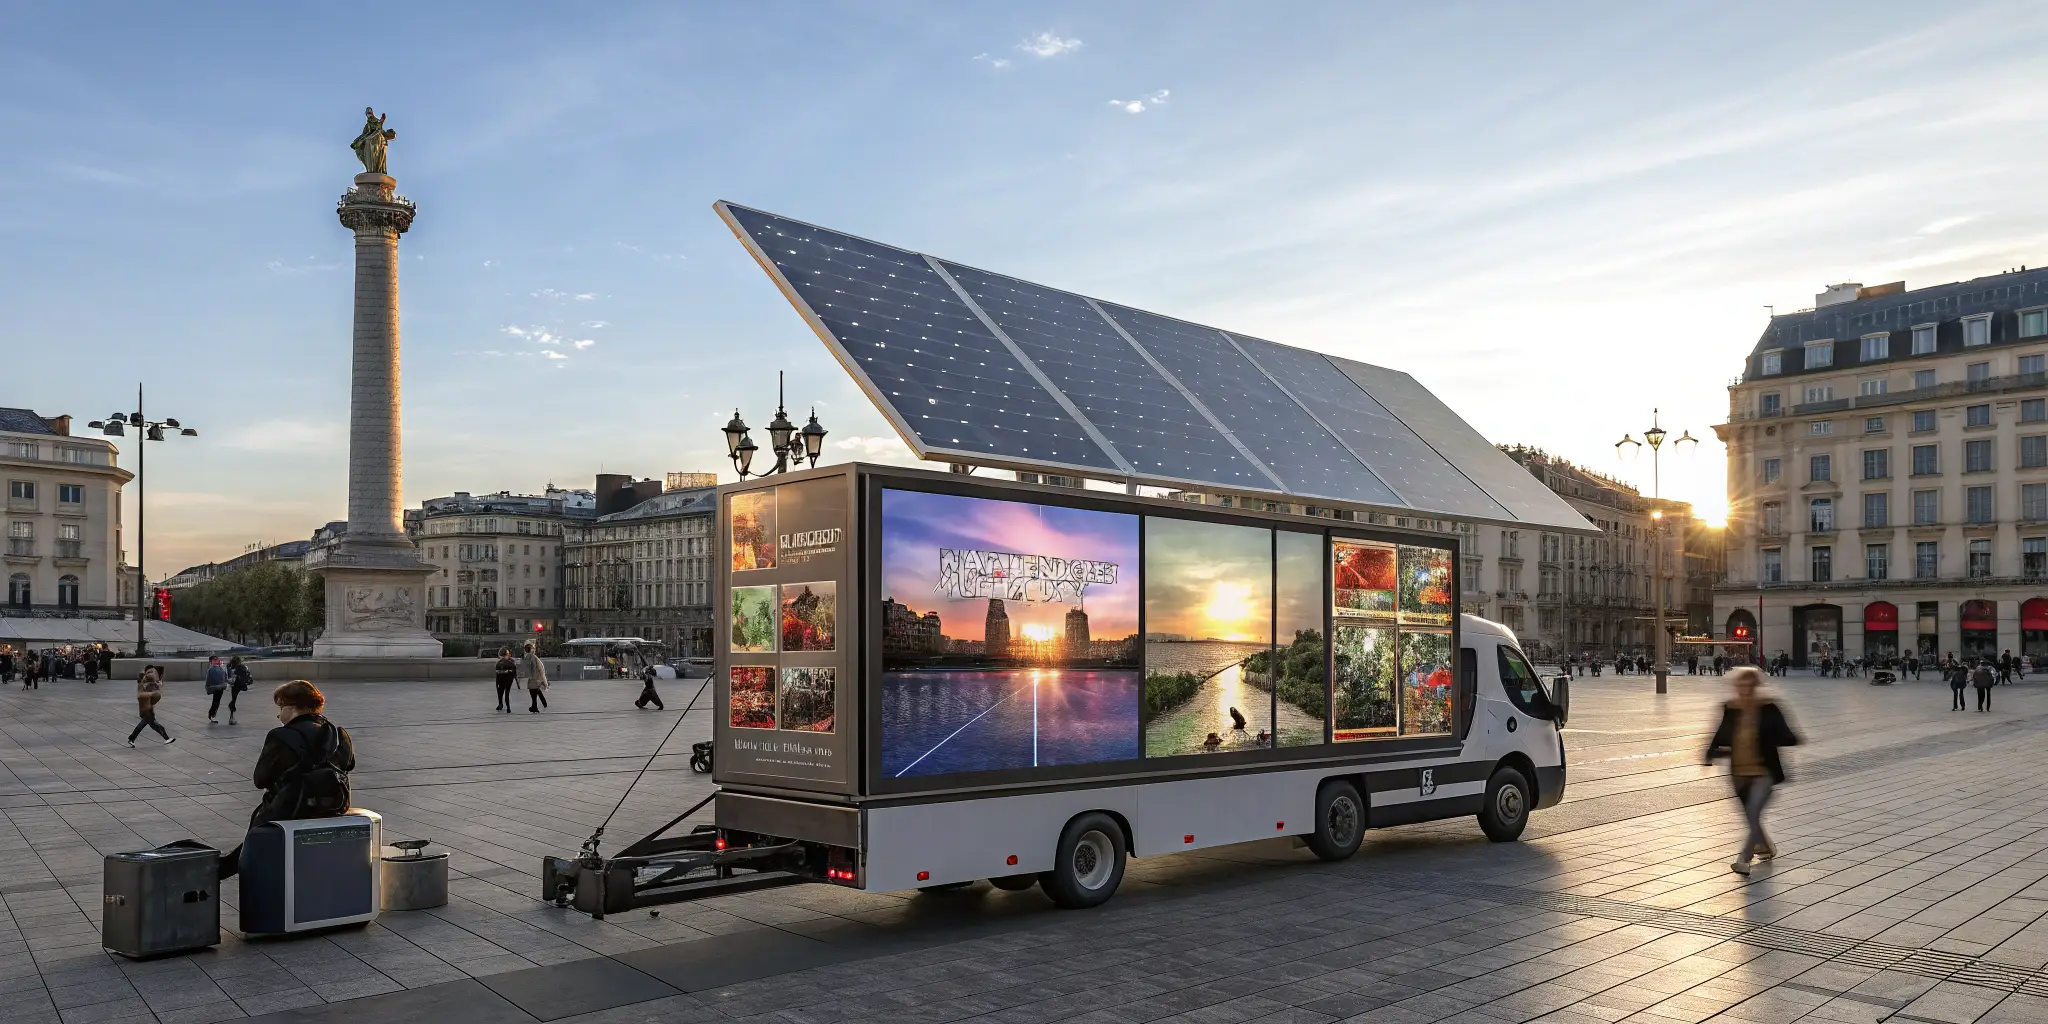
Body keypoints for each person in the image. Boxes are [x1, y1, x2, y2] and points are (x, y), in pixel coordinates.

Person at [217, 680, 357, 880]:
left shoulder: (282, 736)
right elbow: (348, 765)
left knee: (253, 848)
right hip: (331, 809)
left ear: (291, 707)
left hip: (291, 811)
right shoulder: (338, 734)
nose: (278, 714)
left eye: (280, 707)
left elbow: (260, 779)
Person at [1704, 667, 1799, 876]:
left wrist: (1770, 738)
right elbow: (1720, 734)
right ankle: (1766, 847)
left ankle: (1743, 860)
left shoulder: (1769, 708)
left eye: (1749, 685)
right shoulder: (1731, 708)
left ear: (1756, 686)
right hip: (1738, 772)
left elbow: (1790, 737)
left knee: (1754, 812)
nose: (1744, 690)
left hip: (1764, 771)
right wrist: (1709, 753)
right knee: (1751, 816)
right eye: (1741, 685)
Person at [127, 665, 174, 746]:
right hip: (147, 709)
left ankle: (131, 738)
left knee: (148, 725)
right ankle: (167, 738)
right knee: (156, 726)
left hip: (146, 708)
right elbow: (149, 695)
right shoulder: (148, 683)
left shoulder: (144, 682)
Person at [522, 641, 549, 712]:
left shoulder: (530, 656)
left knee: (533, 691)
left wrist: (532, 677)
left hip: (534, 678)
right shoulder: (532, 656)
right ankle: (538, 705)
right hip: (535, 677)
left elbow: (531, 668)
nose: (534, 649)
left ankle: (535, 706)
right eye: (533, 648)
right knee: (535, 691)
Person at [226, 656, 252, 724]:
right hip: (240, 684)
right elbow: (247, 675)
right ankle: (232, 710)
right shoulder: (242, 667)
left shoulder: (229, 666)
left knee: (234, 697)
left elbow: (230, 677)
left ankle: (231, 714)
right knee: (234, 698)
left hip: (233, 685)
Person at [205, 656, 231, 723]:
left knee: (216, 701)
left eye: (217, 660)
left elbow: (224, 676)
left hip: (220, 687)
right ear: (211, 662)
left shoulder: (219, 668)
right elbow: (209, 680)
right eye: (215, 660)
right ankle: (212, 715)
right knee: (216, 701)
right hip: (217, 687)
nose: (217, 661)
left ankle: (212, 714)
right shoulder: (212, 670)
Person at [493, 648, 518, 712]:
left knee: (506, 693)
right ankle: (501, 704)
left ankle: (507, 707)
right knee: (501, 693)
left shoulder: (507, 661)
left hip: (506, 680)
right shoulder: (501, 662)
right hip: (503, 680)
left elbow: (514, 672)